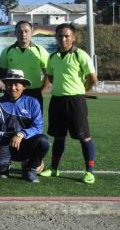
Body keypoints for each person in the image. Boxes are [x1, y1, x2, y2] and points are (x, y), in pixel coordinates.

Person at [40, 23, 99, 184]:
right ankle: (54, 169)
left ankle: (89, 172)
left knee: (84, 137)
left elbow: (93, 78)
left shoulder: (81, 55)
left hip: (75, 101)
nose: (63, 39)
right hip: (57, 101)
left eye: (67, 36)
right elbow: (51, 77)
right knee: (59, 137)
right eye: (60, 36)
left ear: (73, 37)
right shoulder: (53, 57)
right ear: (56, 37)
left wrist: (82, 90)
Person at [0, 69, 49, 183]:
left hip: (24, 144)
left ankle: (30, 168)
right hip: (3, 143)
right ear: (5, 85)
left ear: (24, 86)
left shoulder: (32, 102)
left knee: (43, 141)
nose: (13, 87)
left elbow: (38, 127)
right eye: (9, 84)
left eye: (17, 84)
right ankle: (5, 167)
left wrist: (21, 134)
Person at [0, 21, 49, 108]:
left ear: (32, 32)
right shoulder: (7, 51)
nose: (23, 34)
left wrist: (41, 89)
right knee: (13, 121)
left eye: (26, 31)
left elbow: (48, 73)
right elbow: (2, 75)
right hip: (13, 93)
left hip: (34, 93)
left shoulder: (40, 51)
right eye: (20, 31)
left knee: (34, 121)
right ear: (15, 33)